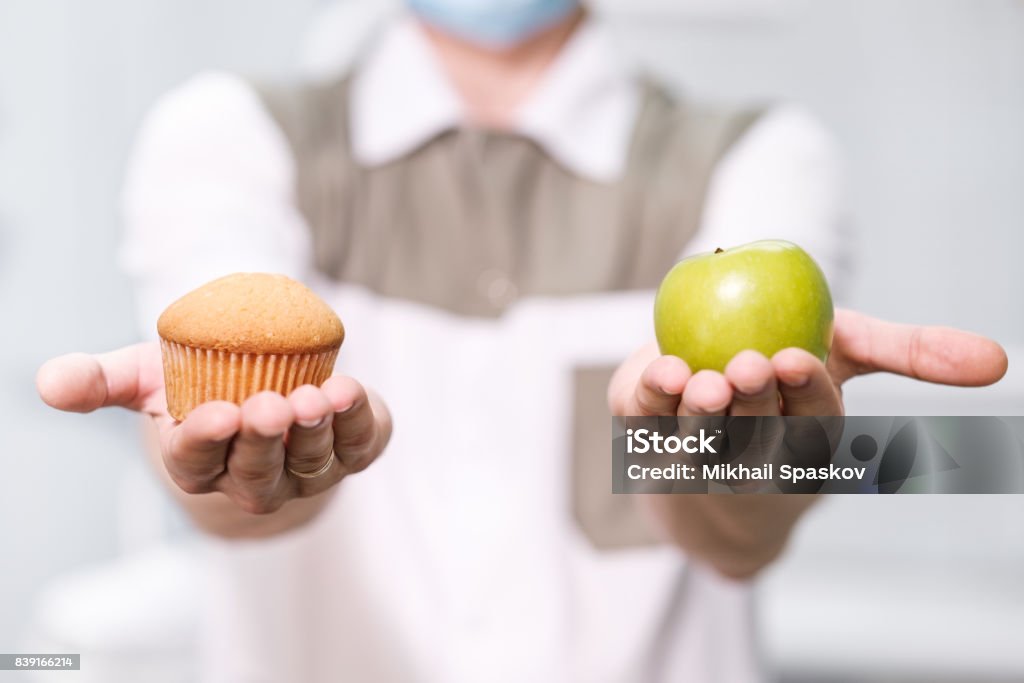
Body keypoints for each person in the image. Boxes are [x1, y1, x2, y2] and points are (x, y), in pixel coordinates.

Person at [36, 1, 1007, 681]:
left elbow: (734, 533)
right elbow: (227, 447)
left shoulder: (756, 161)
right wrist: (248, 465)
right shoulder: (233, 138)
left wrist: (731, 456)